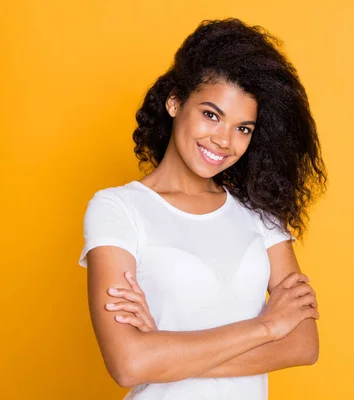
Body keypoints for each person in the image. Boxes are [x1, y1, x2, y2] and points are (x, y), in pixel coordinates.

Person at [77, 18, 327, 399]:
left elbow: (304, 345)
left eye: (243, 128)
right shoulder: (119, 209)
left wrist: (162, 349)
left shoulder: (260, 215)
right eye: (211, 114)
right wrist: (267, 327)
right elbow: (128, 364)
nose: (224, 140)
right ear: (175, 101)